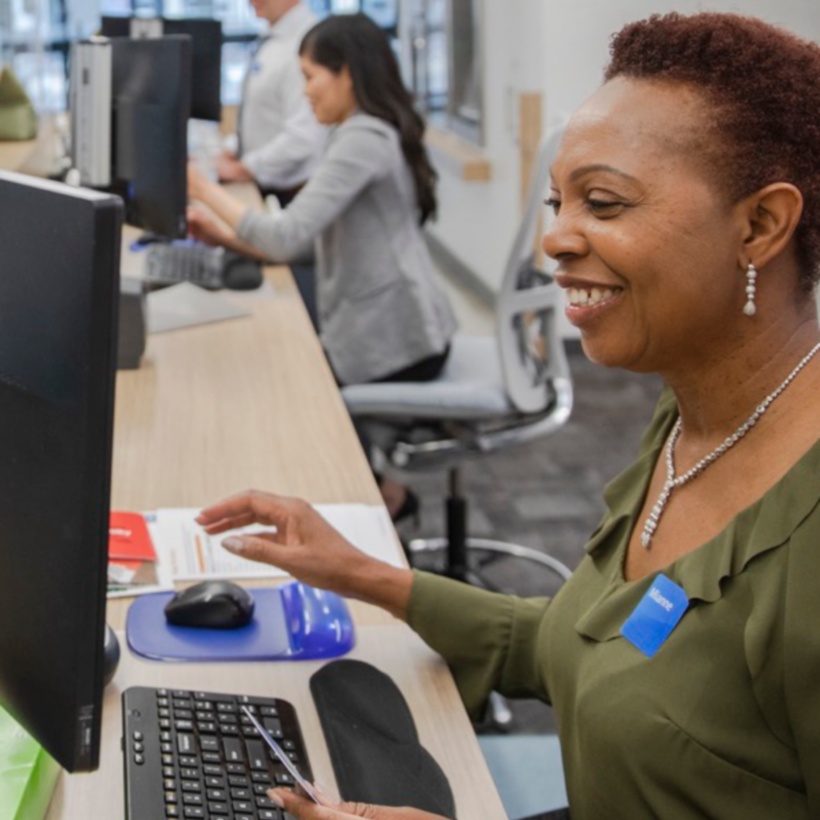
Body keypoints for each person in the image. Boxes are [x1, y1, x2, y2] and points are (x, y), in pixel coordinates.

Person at [195, 11, 820, 820]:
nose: (554, 240)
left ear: (761, 225)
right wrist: (361, 573)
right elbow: (581, 644)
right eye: (559, 201)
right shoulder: (692, 413)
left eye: (603, 202)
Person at [188, 13, 457, 520]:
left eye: (311, 77)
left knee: (285, 383)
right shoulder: (353, 134)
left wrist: (204, 189)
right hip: (396, 326)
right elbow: (306, 245)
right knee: (278, 368)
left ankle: (371, 505)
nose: (306, 91)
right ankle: (371, 498)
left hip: (401, 339)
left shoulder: (364, 139)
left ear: (347, 74)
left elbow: (285, 234)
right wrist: (224, 236)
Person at [218, 0, 325, 204]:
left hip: (290, 195)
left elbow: (303, 137)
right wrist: (234, 147)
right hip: (264, 185)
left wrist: (246, 167)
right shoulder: (274, 37)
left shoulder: (306, 43)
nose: (250, 2)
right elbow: (264, 113)